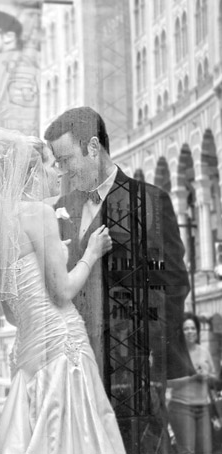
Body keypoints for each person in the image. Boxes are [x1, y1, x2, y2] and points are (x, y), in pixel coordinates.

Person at [46, 107, 194, 449]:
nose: (62, 170)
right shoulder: (59, 208)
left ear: (94, 147)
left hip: (134, 376)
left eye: (67, 159)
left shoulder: (151, 202)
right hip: (74, 370)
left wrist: (145, 354)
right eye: (58, 162)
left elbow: (172, 285)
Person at [0, 131, 125, 453]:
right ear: (34, 171)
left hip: (29, 348)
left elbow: (10, 312)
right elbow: (63, 292)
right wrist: (91, 253)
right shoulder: (38, 213)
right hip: (61, 343)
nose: (59, 172)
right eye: (52, 165)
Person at [168, 313, 217, 454]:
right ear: (181, 332)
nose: (190, 331)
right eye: (186, 328)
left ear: (197, 330)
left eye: (193, 328)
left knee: (206, 451)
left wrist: (207, 377)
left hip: (203, 407)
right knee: (187, 451)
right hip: (181, 407)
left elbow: (213, 376)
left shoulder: (204, 352)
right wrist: (192, 377)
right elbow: (168, 382)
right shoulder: (176, 354)